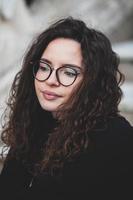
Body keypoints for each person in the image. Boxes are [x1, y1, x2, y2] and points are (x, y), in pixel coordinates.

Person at [0, 16, 133, 199]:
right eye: (44, 67)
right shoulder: (35, 123)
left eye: (69, 72)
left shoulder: (116, 137)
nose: (51, 80)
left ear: (92, 81)